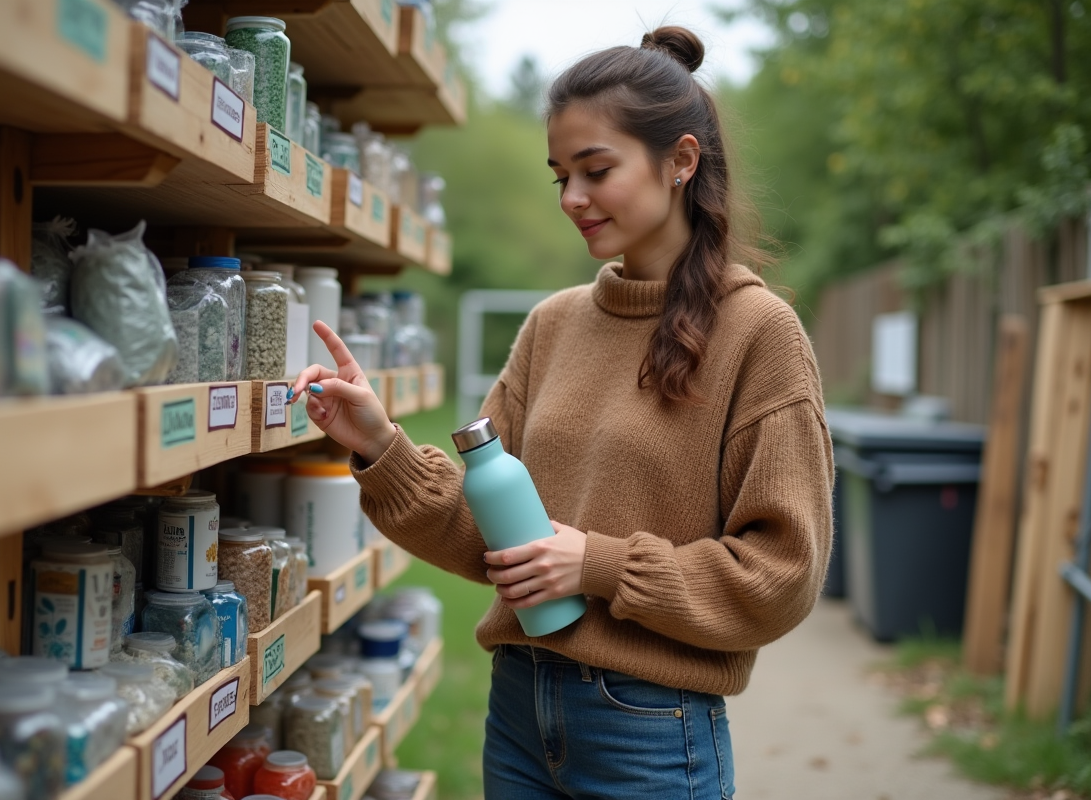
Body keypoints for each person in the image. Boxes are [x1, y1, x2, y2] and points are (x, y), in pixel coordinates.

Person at [290, 25, 833, 800]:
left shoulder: (759, 335)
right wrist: (381, 445)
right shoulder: (551, 325)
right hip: (517, 711)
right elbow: (489, 538)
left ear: (681, 161)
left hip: (649, 726)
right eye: (559, 177)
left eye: (596, 169)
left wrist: (599, 565)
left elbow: (782, 576)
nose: (573, 198)